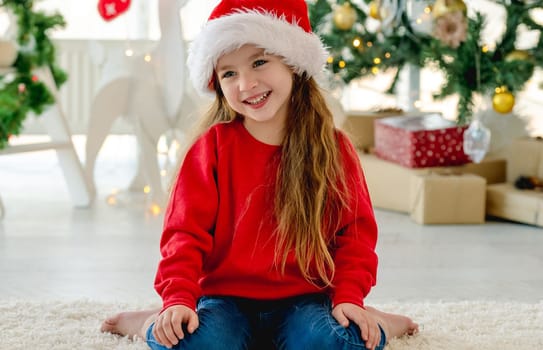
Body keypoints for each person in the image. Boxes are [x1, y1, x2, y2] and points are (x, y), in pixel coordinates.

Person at [101, 0, 418, 349]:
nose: (246, 83)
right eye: (229, 73)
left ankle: (381, 320)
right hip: (224, 299)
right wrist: (177, 299)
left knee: (334, 342)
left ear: (294, 64)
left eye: (259, 62)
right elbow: (184, 233)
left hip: (307, 299)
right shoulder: (212, 148)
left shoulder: (333, 148)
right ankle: (148, 320)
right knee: (194, 342)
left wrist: (348, 298)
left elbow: (354, 235)